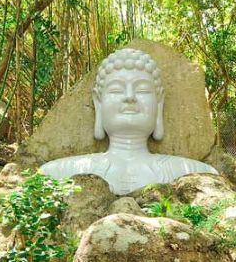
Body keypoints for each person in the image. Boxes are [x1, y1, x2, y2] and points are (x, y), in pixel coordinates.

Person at [40, 47, 218, 195]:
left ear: (159, 103)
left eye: (142, 90)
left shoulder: (195, 174)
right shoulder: (58, 172)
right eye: (116, 90)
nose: (130, 97)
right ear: (98, 103)